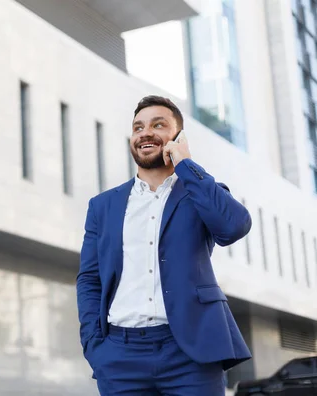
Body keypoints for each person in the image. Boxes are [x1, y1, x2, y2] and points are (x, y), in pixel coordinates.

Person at [76, 95, 252, 395]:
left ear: (178, 137)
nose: (145, 132)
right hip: (120, 356)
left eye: (158, 125)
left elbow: (234, 226)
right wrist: (94, 344)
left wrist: (186, 164)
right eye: (138, 127)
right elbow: (90, 278)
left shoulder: (198, 192)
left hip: (190, 353)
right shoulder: (103, 206)